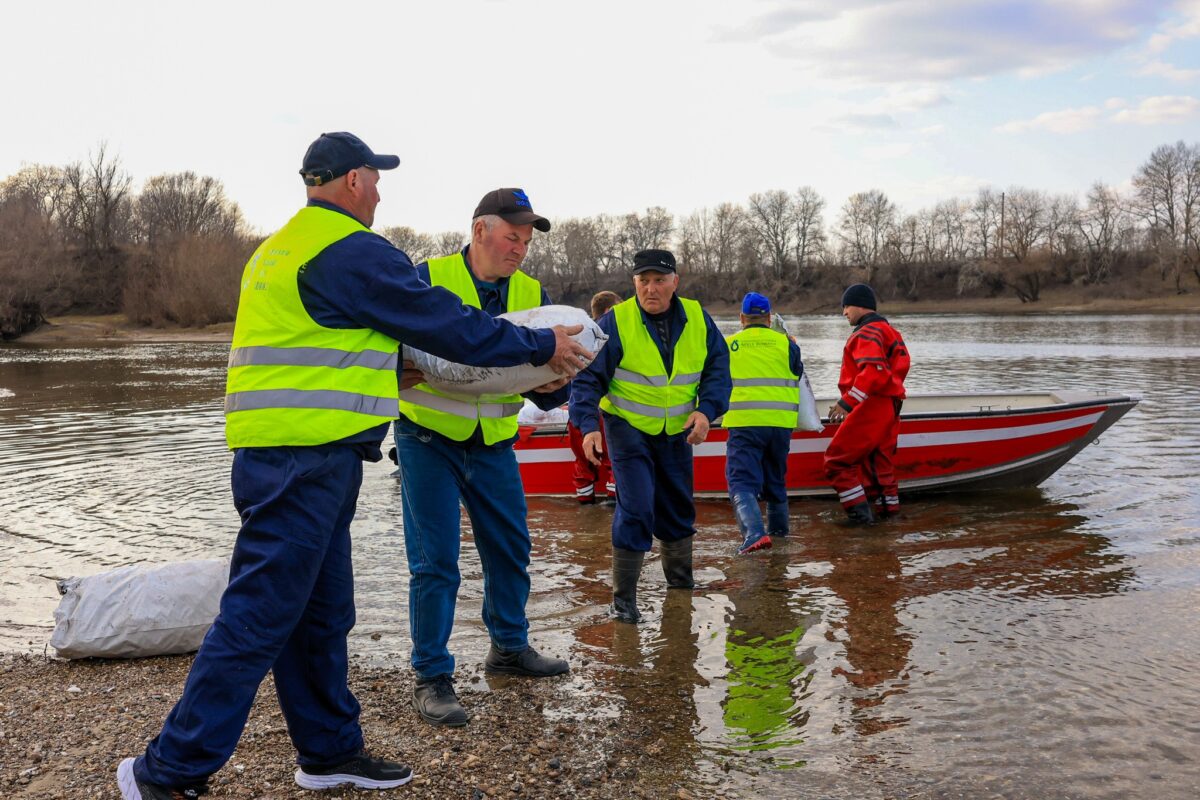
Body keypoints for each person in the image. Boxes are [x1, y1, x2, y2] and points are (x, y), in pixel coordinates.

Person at [116, 135, 590, 800]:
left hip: (304, 454)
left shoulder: (279, 248)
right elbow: (447, 324)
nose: (379, 192)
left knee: (321, 614)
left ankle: (329, 751)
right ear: (351, 182)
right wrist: (541, 344)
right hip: (300, 460)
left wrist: (396, 368)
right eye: (374, 179)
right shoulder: (349, 249)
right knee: (257, 617)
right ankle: (165, 771)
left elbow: (336, 344)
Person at [394, 188, 581, 729]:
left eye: (526, 241)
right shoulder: (426, 278)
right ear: (480, 230)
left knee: (510, 548)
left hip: (495, 437)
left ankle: (509, 648)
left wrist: (559, 382)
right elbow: (392, 355)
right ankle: (431, 675)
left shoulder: (530, 292)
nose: (520, 249)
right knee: (435, 562)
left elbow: (530, 379)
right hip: (428, 436)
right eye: (512, 237)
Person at [569, 249, 730, 623]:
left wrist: (707, 411)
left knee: (677, 507)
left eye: (659, 280)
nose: (651, 289)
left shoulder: (698, 318)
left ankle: (680, 590)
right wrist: (589, 426)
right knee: (638, 506)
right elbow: (587, 377)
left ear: (676, 282)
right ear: (634, 283)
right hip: (627, 426)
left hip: (677, 429)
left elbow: (718, 370)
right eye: (643, 281)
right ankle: (624, 603)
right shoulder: (615, 322)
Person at [723, 291, 805, 555]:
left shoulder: (729, 344)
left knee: (741, 481)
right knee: (776, 482)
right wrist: (789, 341)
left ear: (741, 318)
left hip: (745, 422)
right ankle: (780, 536)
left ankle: (754, 534)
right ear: (769, 318)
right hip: (780, 423)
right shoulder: (787, 344)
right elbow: (798, 371)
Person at [824, 283, 910, 525]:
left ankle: (860, 519)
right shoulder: (890, 331)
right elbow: (897, 369)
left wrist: (846, 403)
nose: (844, 313)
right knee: (879, 465)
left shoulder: (866, 333)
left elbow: (873, 371)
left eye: (846, 306)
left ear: (860, 305)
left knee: (837, 461)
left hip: (872, 406)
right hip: (891, 405)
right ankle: (890, 518)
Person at [567, 290, 622, 504]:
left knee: (582, 464)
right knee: (614, 461)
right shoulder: (610, 335)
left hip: (576, 414)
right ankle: (612, 509)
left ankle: (587, 513)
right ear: (609, 311)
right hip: (602, 412)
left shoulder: (578, 335)